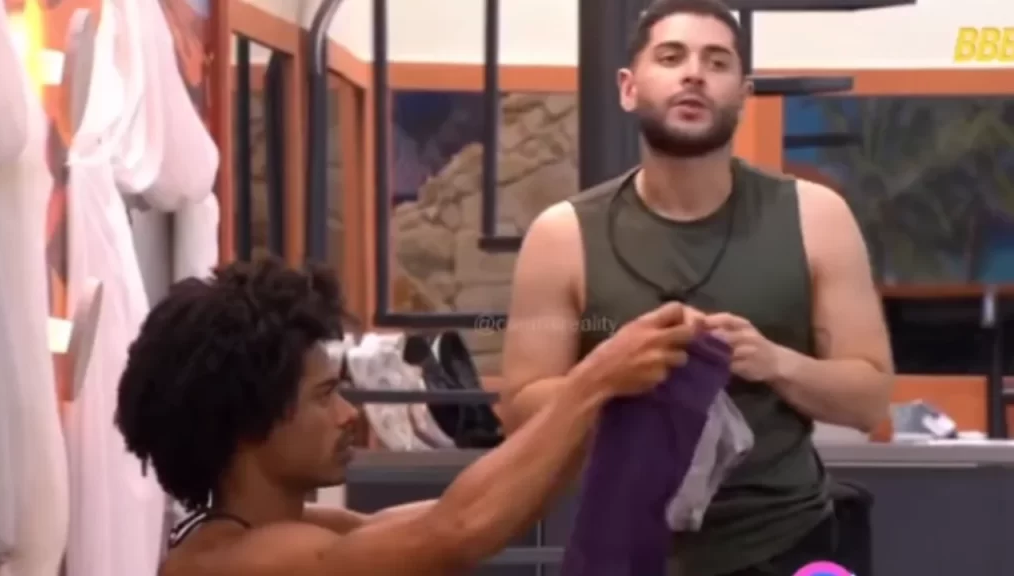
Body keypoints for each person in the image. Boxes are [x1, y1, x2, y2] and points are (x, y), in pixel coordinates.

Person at [490, 0, 895, 575]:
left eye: (717, 61)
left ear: (743, 94)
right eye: (671, 56)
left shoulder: (817, 218)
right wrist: (611, 373)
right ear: (628, 88)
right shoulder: (562, 236)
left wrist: (775, 362)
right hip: (626, 552)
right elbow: (520, 413)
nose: (694, 74)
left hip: (789, 546)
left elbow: (870, 399)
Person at [114, 258, 698, 576]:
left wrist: (610, 402)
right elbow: (454, 533)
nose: (348, 414)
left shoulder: (298, 528)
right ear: (247, 422)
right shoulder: (226, 563)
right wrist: (593, 381)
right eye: (324, 396)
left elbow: (488, 513)